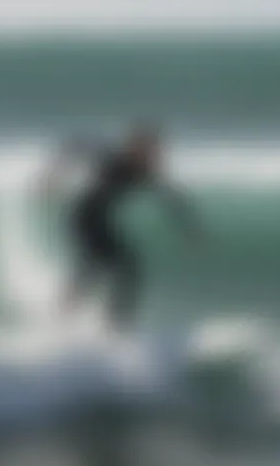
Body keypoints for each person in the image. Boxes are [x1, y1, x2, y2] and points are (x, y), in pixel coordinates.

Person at [41, 124, 201, 331]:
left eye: (155, 150)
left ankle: (108, 323)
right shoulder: (114, 158)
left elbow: (171, 198)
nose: (155, 154)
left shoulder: (145, 171)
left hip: (98, 219)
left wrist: (190, 225)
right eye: (148, 149)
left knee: (123, 268)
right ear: (135, 147)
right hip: (83, 216)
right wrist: (52, 176)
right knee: (106, 265)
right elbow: (76, 145)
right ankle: (77, 319)